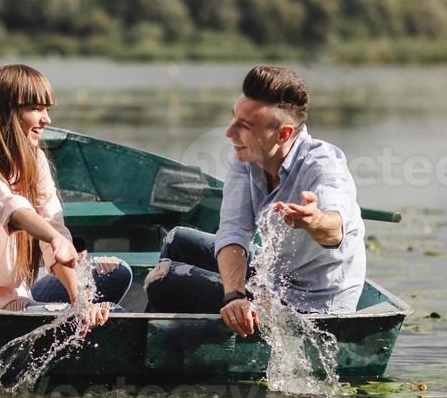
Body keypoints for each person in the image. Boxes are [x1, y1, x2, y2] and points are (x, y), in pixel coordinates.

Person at [144, 65, 365, 332]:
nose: (229, 132)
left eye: (245, 126)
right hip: (273, 278)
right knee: (177, 240)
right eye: (233, 118)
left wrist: (315, 220)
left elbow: (335, 228)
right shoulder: (246, 155)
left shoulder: (324, 164)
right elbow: (234, 229)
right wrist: (234, 296)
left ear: (283, 134)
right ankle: (174, 340)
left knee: (163, 278)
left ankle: (162, 354)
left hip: (311, 304)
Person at [0, 64, 131, 326]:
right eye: (35, 109)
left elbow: (52, 231)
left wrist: (79, 299)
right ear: (5, 113)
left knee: (118, 272)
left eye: (46, 109)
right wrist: (55, 237)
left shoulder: (36, 160)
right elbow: (17, 210)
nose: (46, 119)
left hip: (17, 296)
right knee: (120, 317)